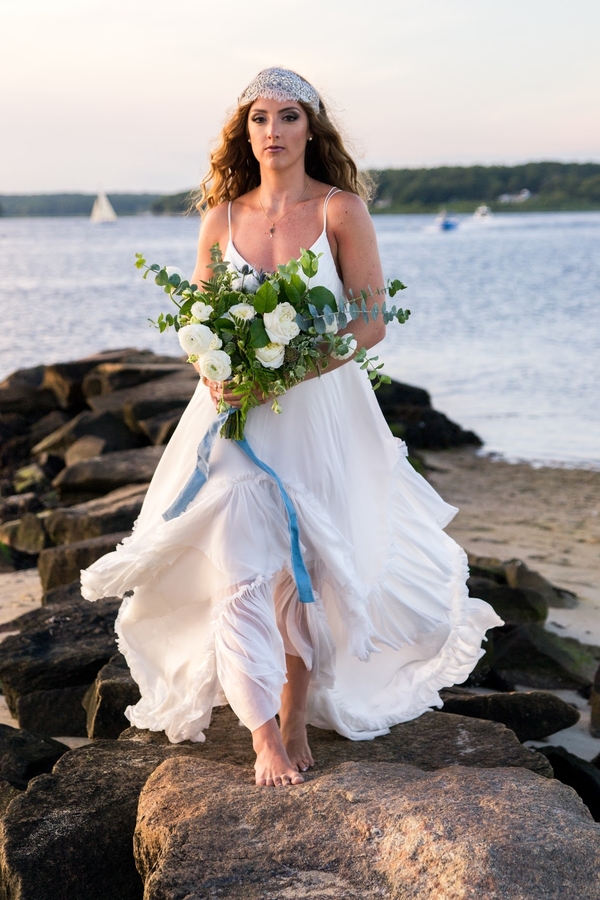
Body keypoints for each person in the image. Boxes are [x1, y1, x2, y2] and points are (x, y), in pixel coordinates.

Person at [81, 68, 502, 787]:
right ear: (244, 133)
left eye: (287, 116)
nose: (272, 131)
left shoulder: (341, 210)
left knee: (307, 567)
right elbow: (197, 321)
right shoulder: (221, 218)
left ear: (311, 128)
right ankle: (263, 734)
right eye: (259, 118)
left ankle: (296, 711)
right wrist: (211, 366)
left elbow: (370, 321)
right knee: (240, 568)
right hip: (234, 419)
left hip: (318, 412)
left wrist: (290, 370)